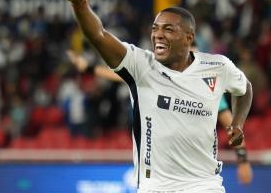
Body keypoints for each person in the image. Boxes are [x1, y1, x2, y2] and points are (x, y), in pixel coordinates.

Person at [53, 0, 253, 192]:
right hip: (155, 187)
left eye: (168, 29)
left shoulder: (217, 67)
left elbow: (244, 89)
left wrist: (237, 123)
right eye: (155, 29)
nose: (158, 34)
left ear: (189, 37)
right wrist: (80, 3)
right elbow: (99, 35)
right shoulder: (141, 65)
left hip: (204, 185)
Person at [66, 50, 254, 185]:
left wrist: (243, 160)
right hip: (162, 177)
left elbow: (232, 125)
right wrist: (89, 69)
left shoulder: (206, 91)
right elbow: (121, 74)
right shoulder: (156, 77)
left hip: (196, 176)